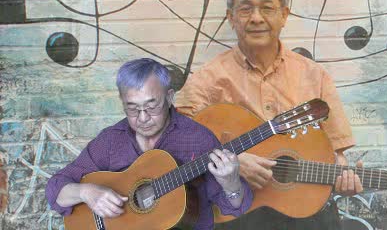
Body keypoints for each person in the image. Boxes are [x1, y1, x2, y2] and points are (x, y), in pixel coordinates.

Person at [175, 0, 362, 229]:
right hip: (236, 215)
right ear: (231, 18)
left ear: (284, 15)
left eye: (267, 8)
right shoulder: (207, 81)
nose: (256, 18)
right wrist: (234, 162)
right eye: (245, 9)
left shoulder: (314, 76)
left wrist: (343, 176)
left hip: (305, 214)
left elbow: (336, 153)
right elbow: (174, 146)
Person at [45, 58, 253, 230]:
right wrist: (86, 192)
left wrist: (231, 183)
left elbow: (235, 207)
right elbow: (56, 190)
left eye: (151, 106)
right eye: (132, 108)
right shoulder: (111, 140)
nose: (142, 118)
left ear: (169, 97)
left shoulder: (198, 139)